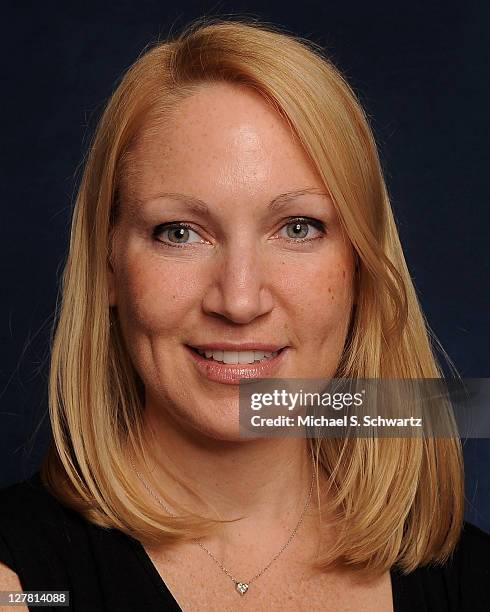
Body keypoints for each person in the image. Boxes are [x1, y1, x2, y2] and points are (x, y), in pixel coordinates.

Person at [0, 17, 489, 612]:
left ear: (359, 267)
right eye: (179, 232)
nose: (238, 300)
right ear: (107, 267)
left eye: (298, 228)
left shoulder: (470, 579)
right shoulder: (24, 589)